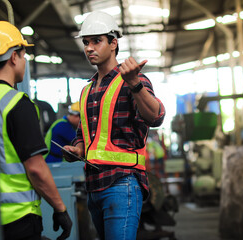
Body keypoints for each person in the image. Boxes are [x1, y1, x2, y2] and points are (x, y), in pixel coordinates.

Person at [0, 21, 72, 240]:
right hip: (17, 219)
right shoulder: (17, 103)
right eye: (23, 54)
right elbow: (36, 169)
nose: (24, 60)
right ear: (13, 57)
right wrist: (60, 209)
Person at [63, 11, 165, 240]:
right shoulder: (86, 90)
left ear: (113, 43)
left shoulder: (133, 80)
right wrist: (78, 149)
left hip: (122, 183)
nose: (89, 48)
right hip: (93, 186)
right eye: (86, 42)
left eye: (97, 41)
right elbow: (83, 134)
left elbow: (156, 117)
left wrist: (135, 84)